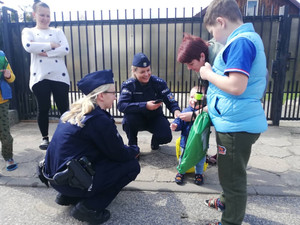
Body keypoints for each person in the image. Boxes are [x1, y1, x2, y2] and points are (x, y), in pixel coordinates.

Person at [200, 0, 268, 224]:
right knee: (228, 172)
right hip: (235, 121)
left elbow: (236, 86)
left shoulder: (240, 42)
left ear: (221, 22)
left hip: (237, 126)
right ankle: (225, 200)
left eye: (213, 31)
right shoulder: (246, 40)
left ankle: (229, 220)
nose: (214, 38)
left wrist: (207, 74)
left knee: (233, 179)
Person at [42, 70, 140, 224]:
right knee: (132, 166)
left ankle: (69, 196)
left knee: (97, 156)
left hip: (56, 180)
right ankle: (89, 208)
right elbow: (118, 154)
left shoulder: (73, 112)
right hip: (69, 182)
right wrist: (135, 149)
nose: (116, 97)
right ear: (101, 95)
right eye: (113, 93)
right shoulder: (98, 119)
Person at [21, 0, 70, 150]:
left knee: (64, 107)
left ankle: (67, 135)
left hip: (59, 75)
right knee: (43, 107)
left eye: (48, 15)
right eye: (42, 15)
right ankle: (45, 138)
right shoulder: (27, 31)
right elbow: (28, 46)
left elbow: (66, 49)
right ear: (34, 15)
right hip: (40, 76)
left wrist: (45, 52)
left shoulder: (57, 31)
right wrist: (52, 45)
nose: (45, 18)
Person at [117, 52, 181, 150]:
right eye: (142, 72)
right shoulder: (129, 85)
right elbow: (121, 105)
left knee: (166, 136)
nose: (147, 74)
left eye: (148, 70)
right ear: (134, 71)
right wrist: (145, 105)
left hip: (154, 117)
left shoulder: (158, 83)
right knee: (128, 121)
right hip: (136, 119)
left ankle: (155, 141)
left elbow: (170, 100)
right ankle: (133, 146)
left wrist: (176, 111)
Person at [177, 33, 223, 164]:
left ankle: (225, 156)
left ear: (202, 56)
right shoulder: (203, 66)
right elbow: (206, 91)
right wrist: (197, 101)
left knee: (222, 126)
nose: (189, 68)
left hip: (240, 103)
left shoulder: (220, 64)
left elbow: (220, 101)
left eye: (191, 63)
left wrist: (196, 113)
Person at [170, 86, 206, 185]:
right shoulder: (186, 111)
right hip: (186, 142)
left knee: (200, 159)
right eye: (191, 97)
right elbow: (179, 120)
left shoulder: (205, 112)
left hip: (200, 143)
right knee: (183, 157)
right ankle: (181, 171)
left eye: (197, 98)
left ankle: (199, 173)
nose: (193, 100)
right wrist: (175, 125)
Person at [0, 51, 17, 171]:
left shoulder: (1, 57)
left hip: (2, 102)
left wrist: (8, 75)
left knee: (5, 132)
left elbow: (12, 78)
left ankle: (8, 156)